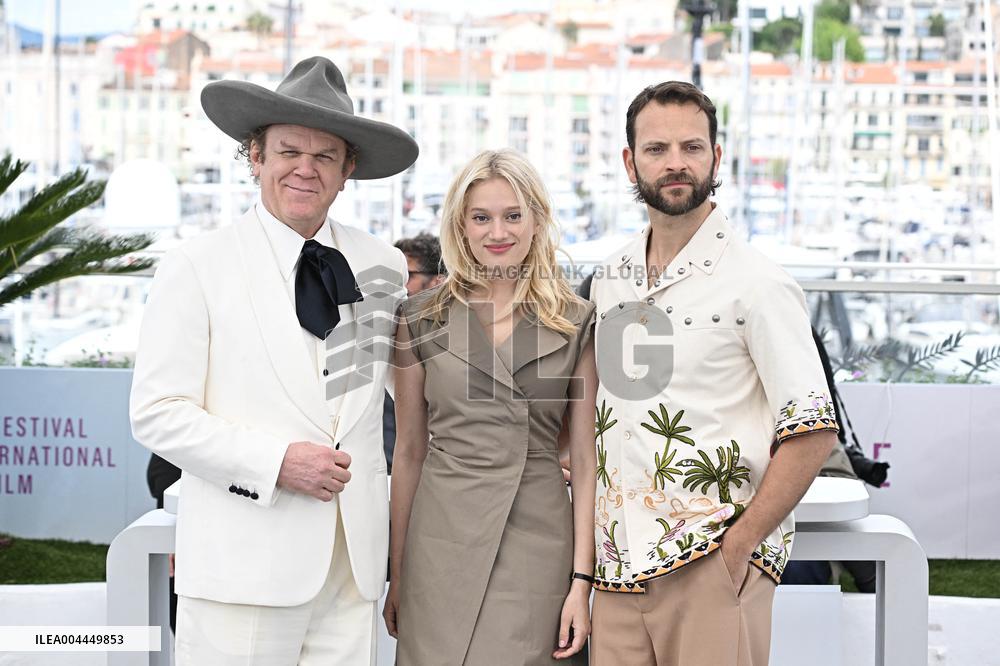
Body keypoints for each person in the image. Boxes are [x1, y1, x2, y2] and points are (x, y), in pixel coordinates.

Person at [129, 56, 417, 665]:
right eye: (288, 152)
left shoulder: (384, 266)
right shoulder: (195, 265)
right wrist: (276, 462)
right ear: (255, 157)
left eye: (324, 157)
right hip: (243, 572)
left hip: (356, 576)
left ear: (347, 171)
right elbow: (156, 413)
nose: (304, 170)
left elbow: (409, 398)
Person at [586, 81, 839, 666]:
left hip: (712, 561)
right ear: (630, 161)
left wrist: (739, 548)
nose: (675, 163)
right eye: (656, 149)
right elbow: (615, 407)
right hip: (617, 570)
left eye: (691, 147)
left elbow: (814, 431)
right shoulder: (612, 277)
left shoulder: (760, 284)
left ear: (715, 157)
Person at [383, 149, 597, 664]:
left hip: (536, 544)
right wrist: (398, 571)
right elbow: (409, 452)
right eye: (481, 217)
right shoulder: (419, 317)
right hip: (438, 544)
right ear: (461, 225)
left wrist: (581, 583)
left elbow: (588, 463)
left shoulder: (576, 320)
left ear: (537, 221)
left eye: (512, 215)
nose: (497, 232)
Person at [382, 233, 447, 472]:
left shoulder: (450, 351)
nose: (395, 284)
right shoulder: (373, 335)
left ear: (437, 282)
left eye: (406, 275)